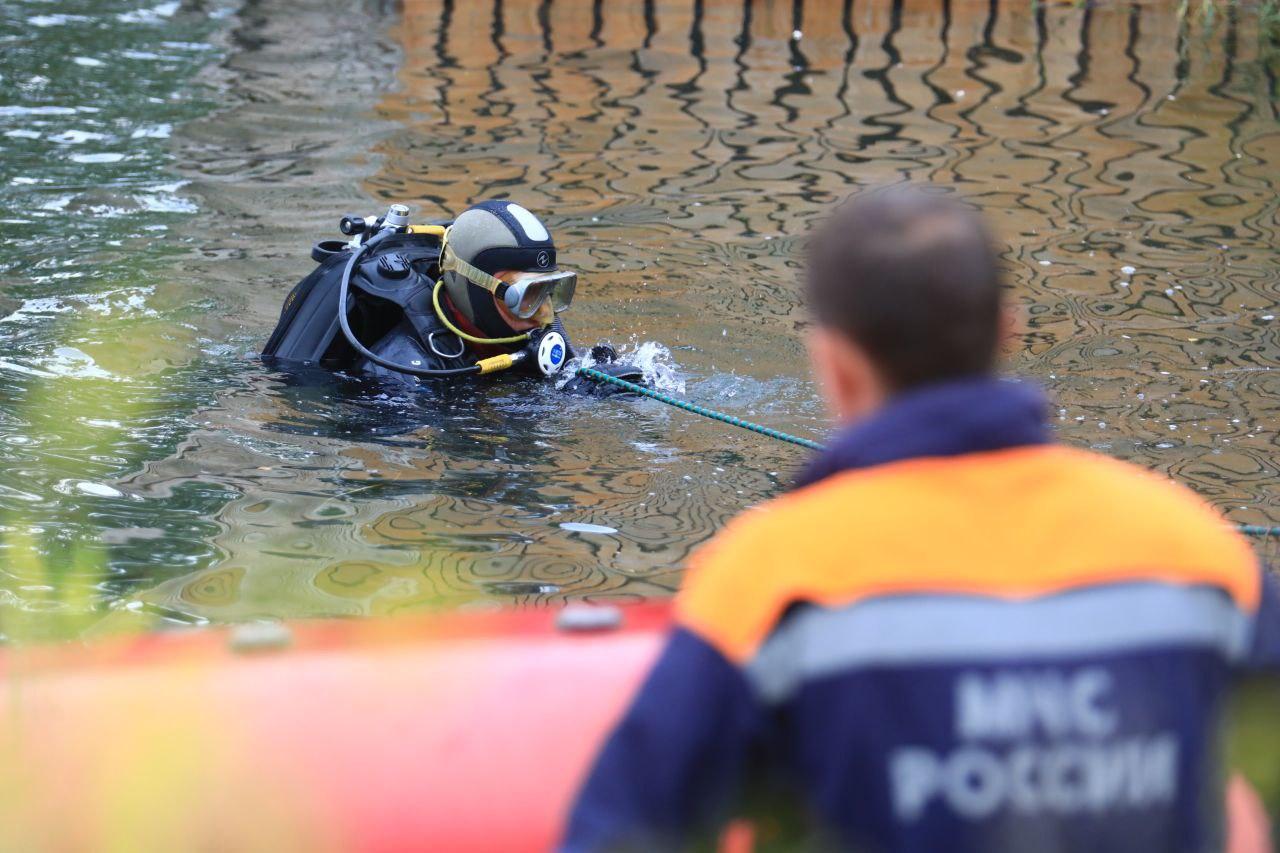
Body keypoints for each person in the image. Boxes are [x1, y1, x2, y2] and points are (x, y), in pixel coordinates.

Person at [562, 186, 1280, 852]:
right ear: (1007, 332)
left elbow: (620, 827)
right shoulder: (1195, 548)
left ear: (834, 365)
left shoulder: (769, 576)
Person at [262, 199, 639, 392]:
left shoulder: (515, 327)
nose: (543, 314)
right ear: (472, 290)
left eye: (551, 290)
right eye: (524, 295)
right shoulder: (406, 370)